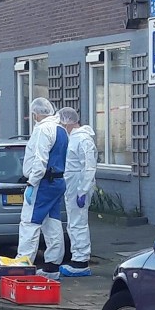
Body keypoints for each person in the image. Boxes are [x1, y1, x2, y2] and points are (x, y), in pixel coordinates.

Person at [16, 98, 68, 280]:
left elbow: (40, 159)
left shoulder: (42, 130)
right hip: (57, 182)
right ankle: (52, 266)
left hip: (43, 183)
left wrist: (32, 183)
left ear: (36, 113)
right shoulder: (61, 130)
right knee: (52, 223)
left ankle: (23, 264)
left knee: (29, 223)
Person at [58, 107, 97, 277]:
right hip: (73, 185)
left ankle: (81, 261)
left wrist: (83, 190)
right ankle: (77, 258)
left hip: (78, 186)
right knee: (74, 223)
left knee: (78, 222)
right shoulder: (73, 138)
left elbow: (89, 167)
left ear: (68, 122)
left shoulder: (83, 140)